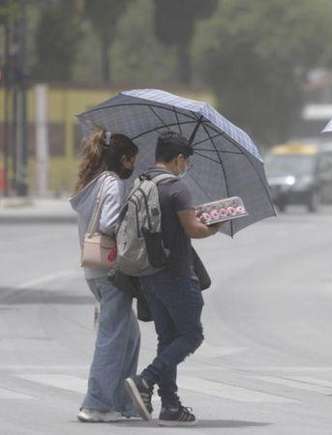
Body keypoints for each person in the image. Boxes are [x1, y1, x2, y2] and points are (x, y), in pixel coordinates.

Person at [125, 132, 221, 427]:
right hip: (177, 274)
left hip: (148, 275)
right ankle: (146, 380)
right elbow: (193, 229)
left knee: (167, 339)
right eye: (185, 161)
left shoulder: (142, 183)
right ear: (178, 159)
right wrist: (214, 225)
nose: (185, 166)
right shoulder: (177, 188)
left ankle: (170, 405)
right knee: (192, 336)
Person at [70, 129, 140, 422]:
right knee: (112, 336)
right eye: (133, 161)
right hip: (110, 270)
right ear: (124, 159)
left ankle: (123, 402)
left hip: (94, 269)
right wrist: (134, 215)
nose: (134, 166)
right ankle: (96, 404)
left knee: (129, 335)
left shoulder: (94, 181)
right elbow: (110, 223)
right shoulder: (112, 185)